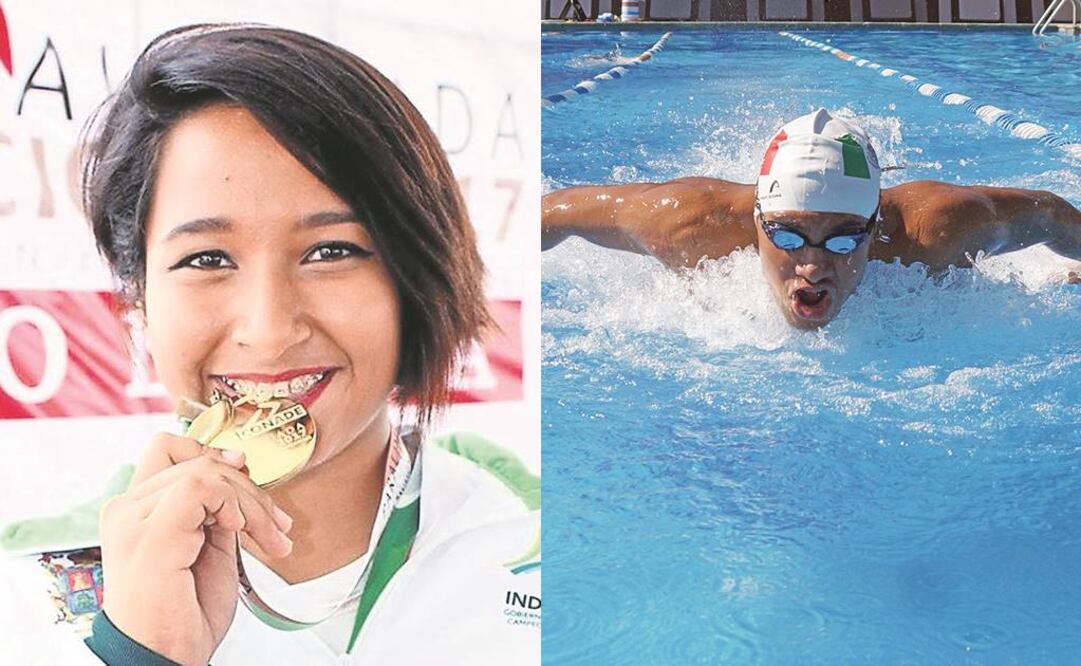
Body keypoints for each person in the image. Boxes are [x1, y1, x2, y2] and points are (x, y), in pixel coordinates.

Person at [0, 24, 539, 665]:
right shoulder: (24, 592)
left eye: (331, 251)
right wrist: (138, 655)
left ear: (415, 278)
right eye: (207, 258)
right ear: (141, 298)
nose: (269, 329)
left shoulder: (536, 537)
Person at [542, 108, 1081, 328]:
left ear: (875, 228)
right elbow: (552, 214)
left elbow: (1054, 214)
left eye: (844, 240)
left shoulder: (935, 232)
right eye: (787, 235)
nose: (813, 265)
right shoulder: (686, 225)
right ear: (757, 220)